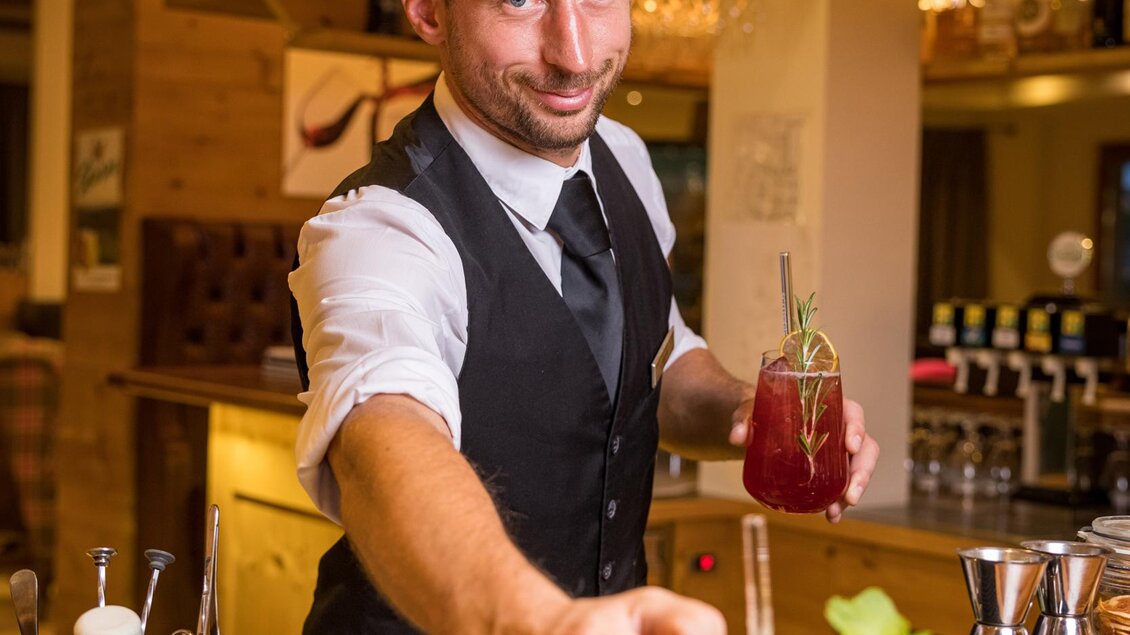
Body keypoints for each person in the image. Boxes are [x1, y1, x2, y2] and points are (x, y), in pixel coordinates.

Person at [288, 0, 880, 630]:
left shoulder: (624, 158)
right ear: (429, 12)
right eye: (519, 1)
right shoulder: (378, 229)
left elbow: (658, 354)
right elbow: (382, 434)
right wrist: (543, 621)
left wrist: (745, 412)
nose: (573, 56)